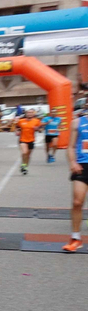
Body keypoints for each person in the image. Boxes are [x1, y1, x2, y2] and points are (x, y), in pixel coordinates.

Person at [66, 105, 87, 252]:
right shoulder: (77, 122)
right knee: (77, 202)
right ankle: (75, 237)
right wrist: (73, 162)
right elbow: (71, 146)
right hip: (82, 165)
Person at [16, 110, 40, 174]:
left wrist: (38, 129)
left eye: (31, 113)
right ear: (26, 114)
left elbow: (40, 130)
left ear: (33, 114)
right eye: (28, 113)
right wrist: (17, 131)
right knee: (24, 152)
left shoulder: (36, 121)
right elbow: (17, 127)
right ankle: (23, 164)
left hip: (31, 140)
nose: (29, 114)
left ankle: (25, 166)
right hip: (22, 139)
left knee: (28, 155)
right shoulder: (21, 121)